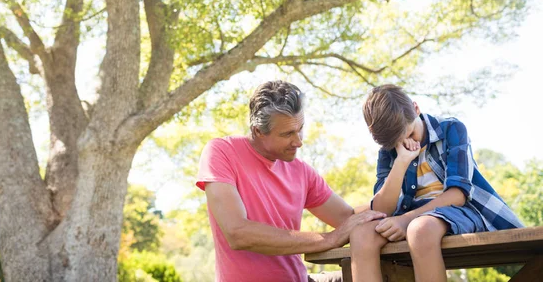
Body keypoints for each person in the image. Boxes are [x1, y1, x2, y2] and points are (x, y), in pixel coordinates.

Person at [196, 80, 386, 282]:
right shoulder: (222, 153)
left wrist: (407, 198)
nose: (299, 141)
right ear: (258, 131)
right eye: (287, 134)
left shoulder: (301, 171)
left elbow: (347, 217)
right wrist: (330, 238)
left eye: (300, 128)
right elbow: (237, 232)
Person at [351, 84, 523, 282]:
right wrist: (401, 161)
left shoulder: (451, 129)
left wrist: (406, 219)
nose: (406, 143)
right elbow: (381, 209)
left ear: (416, 109)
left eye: (409, 134)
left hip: (457, 210)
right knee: (361, 235)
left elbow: (458, 195)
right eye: (396, 143)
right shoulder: (388, 150)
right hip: (406, 214)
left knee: (419, 229)